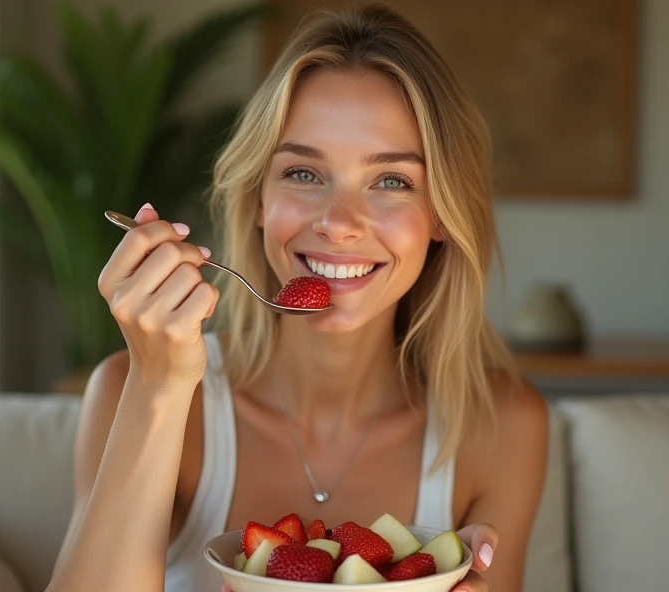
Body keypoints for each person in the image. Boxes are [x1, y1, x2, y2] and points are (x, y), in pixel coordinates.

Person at [47, 4, 548, 592]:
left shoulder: (503, 427)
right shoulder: (128, 391)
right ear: (258, 200)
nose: (338, 224)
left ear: (441, 215)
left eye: (392, 181)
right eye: (304, 174)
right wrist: (159, 387)